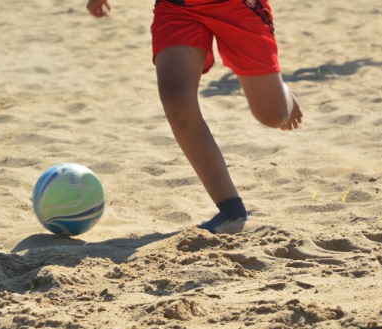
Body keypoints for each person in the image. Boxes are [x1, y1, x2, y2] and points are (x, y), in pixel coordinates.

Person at [86, 0, 303, 234]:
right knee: (174, 96)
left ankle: (282, 93)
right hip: (176, 6)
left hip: (235, 5)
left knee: (272, 116)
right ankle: (230, 210)